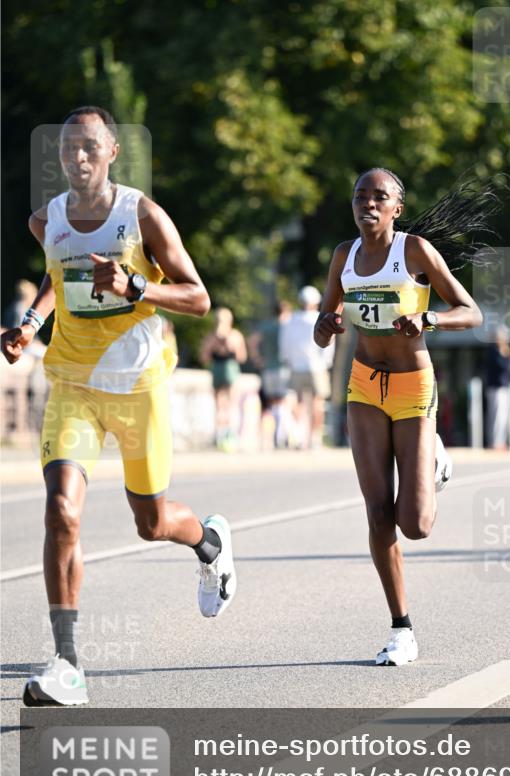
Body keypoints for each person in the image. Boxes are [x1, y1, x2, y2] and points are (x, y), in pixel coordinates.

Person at [1, 106, 236, 707]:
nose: (77, 157)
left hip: (138, 389)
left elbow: (199, 297)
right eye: (68, 148)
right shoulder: (45, 219)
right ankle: (68, 663)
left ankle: (207, 542)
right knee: (62, 512)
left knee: (152, 523)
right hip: (73, 386)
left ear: (111, 153)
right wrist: (31, 322)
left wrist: (134, 286)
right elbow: (61, 275)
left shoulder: (143, 216)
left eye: (89, 147)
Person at [314, 167, 493, 666]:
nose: (368, 204)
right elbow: (322, 331)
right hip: (364, 385)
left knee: (415, 526)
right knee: (377, 512)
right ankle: (401, 628)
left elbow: (470, 310)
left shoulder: (413, 251)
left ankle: (433, 459)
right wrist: (327, 325)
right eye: (360, 196)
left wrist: (428, 318)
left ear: (397, 207)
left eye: (379, 197)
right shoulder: (343, 257)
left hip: (414, 386)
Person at [280, 285, 335, 448]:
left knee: (298, 402)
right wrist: (326, 362)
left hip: (296, 366)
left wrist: (288, 360)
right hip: (317, 366)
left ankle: (298, 435)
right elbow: (328, 344)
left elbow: (285, 344)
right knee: (318, 403)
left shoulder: (290, 320)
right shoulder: (320, 318)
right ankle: (314, 439)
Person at [247, 300, 293, 448]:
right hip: (283, 368)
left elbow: (253, 341)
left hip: (268, 368)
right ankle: (281, 436)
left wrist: (257, 358)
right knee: (283, 402)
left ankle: (272, 437)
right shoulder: (286, 327)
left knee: (271, 403)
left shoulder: (266, 327)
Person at [200, 306, 247, 449]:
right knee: (232, 403)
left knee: (219, 404)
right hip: (230, 368)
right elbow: (242, 357)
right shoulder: (235, 336)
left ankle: (219, 434)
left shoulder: (210, 337)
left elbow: (204, 358)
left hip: (217, 368)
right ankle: (230, 434)